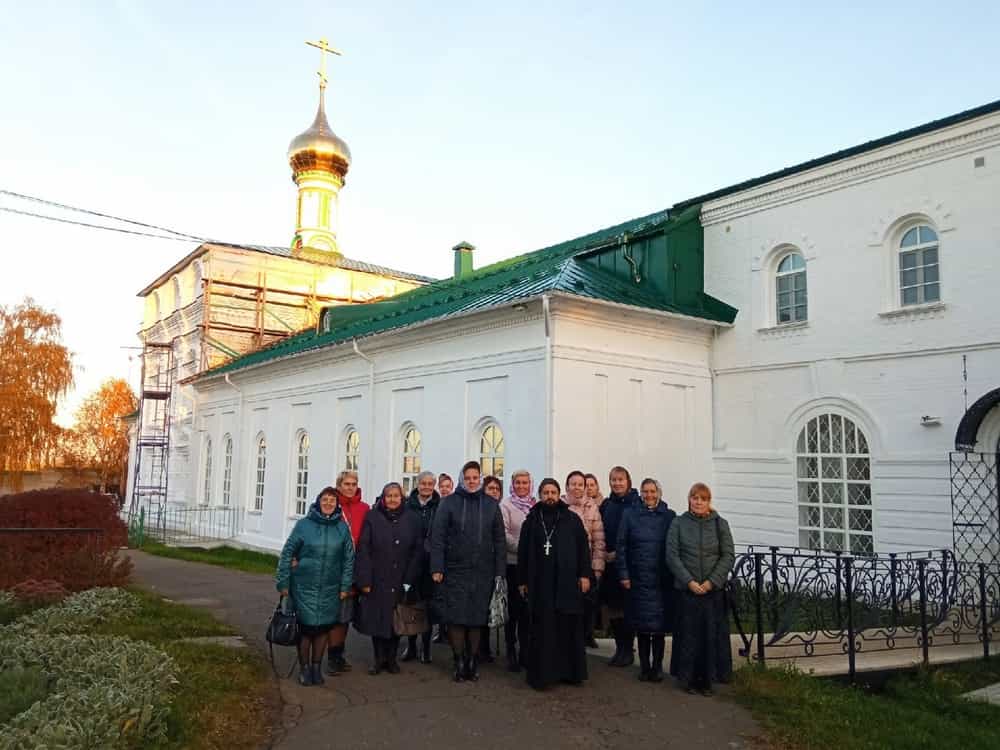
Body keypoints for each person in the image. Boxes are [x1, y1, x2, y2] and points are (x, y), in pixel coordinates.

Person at [430, 460, 506, 682]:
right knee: (456, 617)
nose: (472, 481)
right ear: (462, 479)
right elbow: (438, 537)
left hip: (483, 570)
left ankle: (472, 660)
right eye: (468, 478)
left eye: (475, 478)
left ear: (480, 480)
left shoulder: (491, 505)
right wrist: (437, 567)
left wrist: (500, 572)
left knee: (476, 618)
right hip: (455, 570)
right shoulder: (449, 503)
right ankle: (458, 660)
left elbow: (499, 541)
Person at [518, 477, 592, 690]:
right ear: (540, 495)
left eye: (553, 492)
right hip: (540, 585)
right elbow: (523, 553)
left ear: (558, 494)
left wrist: (585, 575)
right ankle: (543, 675)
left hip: (567, 584)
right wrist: (522, 580)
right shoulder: (531, 521)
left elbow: (583, 550)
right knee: (544, 630)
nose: (549, 496)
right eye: (545, 493)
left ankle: (569, 672)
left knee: (567, 627)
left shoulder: (571, 519)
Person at [276, 487, 355, 686]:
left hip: (330, 588)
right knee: (305, 629)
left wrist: (345, 586)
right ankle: (304, 669)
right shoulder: (304, 525)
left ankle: (316, 667)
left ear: (337, 504)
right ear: (318, 502)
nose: (328, 503)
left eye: (332, 500)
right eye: (325, 499)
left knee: (322, 629)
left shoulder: (342, 528)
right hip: (304, 586)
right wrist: (283, 582)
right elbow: (287, 553)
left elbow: (348, 559)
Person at [666, 482, 735, 696]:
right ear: (689, 500)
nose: (698, 502)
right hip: (687, 591)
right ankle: (687, 679)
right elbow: (672, 555)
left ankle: (708, 680)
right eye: (695, 498)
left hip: (711, 592)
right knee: (688, 636)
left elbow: (728, 555)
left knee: (710, 636)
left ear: (708, 501)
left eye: (703, 499)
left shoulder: (720, 524)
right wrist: (689, 581)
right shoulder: (678, 523)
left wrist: (711, 581)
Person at [354, 482, 425, 676]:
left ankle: (392, 659)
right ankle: (378, 660)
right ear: (383, 498)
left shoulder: (413, 518)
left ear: (402, 498)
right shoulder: (372, 517)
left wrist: (409, 578)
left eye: (396, 496)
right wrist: (365, 580)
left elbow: (417, 551)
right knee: (378, 620)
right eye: (389, 496)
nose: (392, 499)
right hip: (378, 577)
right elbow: (364, 549)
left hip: (401, 577)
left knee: (396, 620)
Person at [617, 478, 676, 682]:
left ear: (659, 493)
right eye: (645, 491)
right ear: (640, 493)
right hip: (637, 577)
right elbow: (621, 546)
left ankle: (657, 667)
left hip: (660, 579)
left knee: (658, 628)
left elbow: (673, 548)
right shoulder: (630, 515)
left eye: (652, 491)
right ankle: (644, 667)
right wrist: (624, 574)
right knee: (642, 626)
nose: (649, 495)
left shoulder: (669, 516)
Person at [326, 470, 369, 675]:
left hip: (355, 569)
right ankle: (330, 656)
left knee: (345, 615)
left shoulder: (364, 508)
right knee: (332, 615)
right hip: (334, 568)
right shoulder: (332, 506)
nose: (351, 487)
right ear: (339, 485)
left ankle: (338, 654)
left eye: (354, 484)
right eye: (347, 484)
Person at [599, 466, 641, 666]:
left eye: (620, 479)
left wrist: (618, 553)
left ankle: (628, 649)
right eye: (613, 480)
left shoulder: (636, 504)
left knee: (626, 609)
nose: (617, 483)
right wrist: (603, 553)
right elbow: (600, 530)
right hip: (608, 564)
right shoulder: (607, 505)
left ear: (628, 481)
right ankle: (620, 648)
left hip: (628, 564)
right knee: (613, 608)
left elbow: (638, 535)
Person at [564, 470, 606, 649]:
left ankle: (584, 637)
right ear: (567, 486)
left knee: (586, 606)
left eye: (580, 484)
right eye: (573, 484)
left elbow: (599, 540)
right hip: (565, 567)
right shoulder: (561, 505)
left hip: (586, 565)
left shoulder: (592, 507)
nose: (577, 488)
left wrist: (596, 568)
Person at [499, 469, 536, 671]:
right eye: (518, 483)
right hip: (513, 564)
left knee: (526, 611)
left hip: (531, 566)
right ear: (513, 484)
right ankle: (511, 650)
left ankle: (525, 651)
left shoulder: (534, 504)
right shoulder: (506, 505)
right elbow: (503, 533)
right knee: (513, 611)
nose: (522, 486)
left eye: (525, 482)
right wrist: (524, 547)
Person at [402, 470, 440, 663]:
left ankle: (426, 647)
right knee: (411, 604)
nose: (426, 486)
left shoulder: (439, 505)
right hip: (411, 561)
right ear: (418, 484)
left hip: (431, 562)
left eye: (430, 483)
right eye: (423, 483)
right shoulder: (408, 505)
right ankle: (411, 645)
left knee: (428, 605)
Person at [479, 474, 504, 663]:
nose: (494, 492)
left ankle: (485, 647)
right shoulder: (480, 509)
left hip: (496, 563)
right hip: (481, 564)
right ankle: (479, 647)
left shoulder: (501, 508)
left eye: (497, 489)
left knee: (491, 606)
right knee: (481, 608)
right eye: (490, 488)